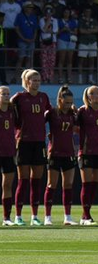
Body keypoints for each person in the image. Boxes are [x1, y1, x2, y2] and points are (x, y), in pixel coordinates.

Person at [12, 67, 51, 226]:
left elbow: (51, 115)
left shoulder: (43, 97)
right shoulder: (18, 98)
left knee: (37, 180)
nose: (36, 83)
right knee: (23, 180)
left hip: (39, 142)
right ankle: (18, 216)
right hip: (23, 142)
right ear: (26, 81)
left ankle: (35, 216)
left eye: (38, 80)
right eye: (33, 80)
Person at [75, 84, 98, 227]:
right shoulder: (83, 111)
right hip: (87, 152)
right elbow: (75, 127)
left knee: (95, 184)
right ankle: (86, 215)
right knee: (87, 184)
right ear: (89, 97)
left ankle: (85, 215)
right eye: (96, 93)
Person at [45, 85, 78, 226]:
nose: (68, 105)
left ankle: (68, 217)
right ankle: (47, 216)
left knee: (68, 185)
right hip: (55, 152)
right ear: (60, 100)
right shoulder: (52, 113)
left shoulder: (73, 114)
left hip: (69, 152)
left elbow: (78, 128)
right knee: (52, 184)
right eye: (66, 102)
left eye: (71, 102)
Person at [0, 87, 16, 225]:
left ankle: (6, 218)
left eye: (7, 94)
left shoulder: (12, 112)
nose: (6, 96)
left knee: (7, 185)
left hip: (9, 153)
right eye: (3, 94)